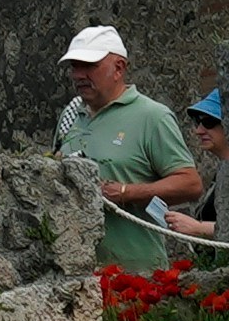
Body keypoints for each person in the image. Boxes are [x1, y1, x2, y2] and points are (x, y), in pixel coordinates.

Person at [57, 25, 208, 267]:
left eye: (89, 65)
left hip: (137, 276)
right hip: (77, 275)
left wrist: (126, 192)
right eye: (75, 66)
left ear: (119, 68)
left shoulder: (152, 116)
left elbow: (190, 183)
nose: (78, 74)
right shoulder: (71, 116)